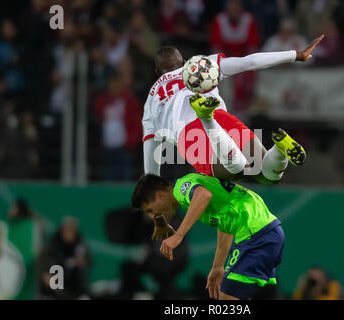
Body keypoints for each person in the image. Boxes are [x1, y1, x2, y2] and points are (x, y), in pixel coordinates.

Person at [143, 37, 323, 238]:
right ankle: (280, 148)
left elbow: (151, 173)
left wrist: (159, 219)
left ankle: (206, 118)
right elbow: (250, 62)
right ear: (184, 63)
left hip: (189, 133)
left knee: (235, 171)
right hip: (224, 118)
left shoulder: (151, 101)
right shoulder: (202, 65)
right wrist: (295, 55)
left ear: (158, 73)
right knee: (268, 174)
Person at [131, 173, 286, 300]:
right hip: (265, 231)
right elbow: (225, 225)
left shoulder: (181, 188)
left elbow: (204, 195)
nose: (153, 216)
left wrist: (178, 235)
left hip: (255, 234)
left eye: (150, 210)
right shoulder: (189, 196)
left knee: (227, 300)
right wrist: (218, 266)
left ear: (160, 196)